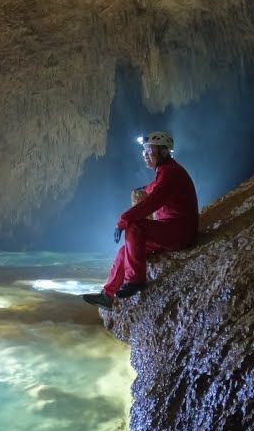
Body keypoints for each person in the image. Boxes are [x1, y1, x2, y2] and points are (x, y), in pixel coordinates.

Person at [83, 131, 198, 310]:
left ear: (164, 152)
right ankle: (107, 295)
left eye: (149, 150)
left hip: (180, 232)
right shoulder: (166, 171)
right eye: (144, 151)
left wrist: (123, 221)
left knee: (135, 226)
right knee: (125, 251)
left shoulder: (171, 173)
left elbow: (152, 202)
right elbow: (154, 188)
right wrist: (145, 188)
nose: (145, 155)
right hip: (171, 230)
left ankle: (136, 280)